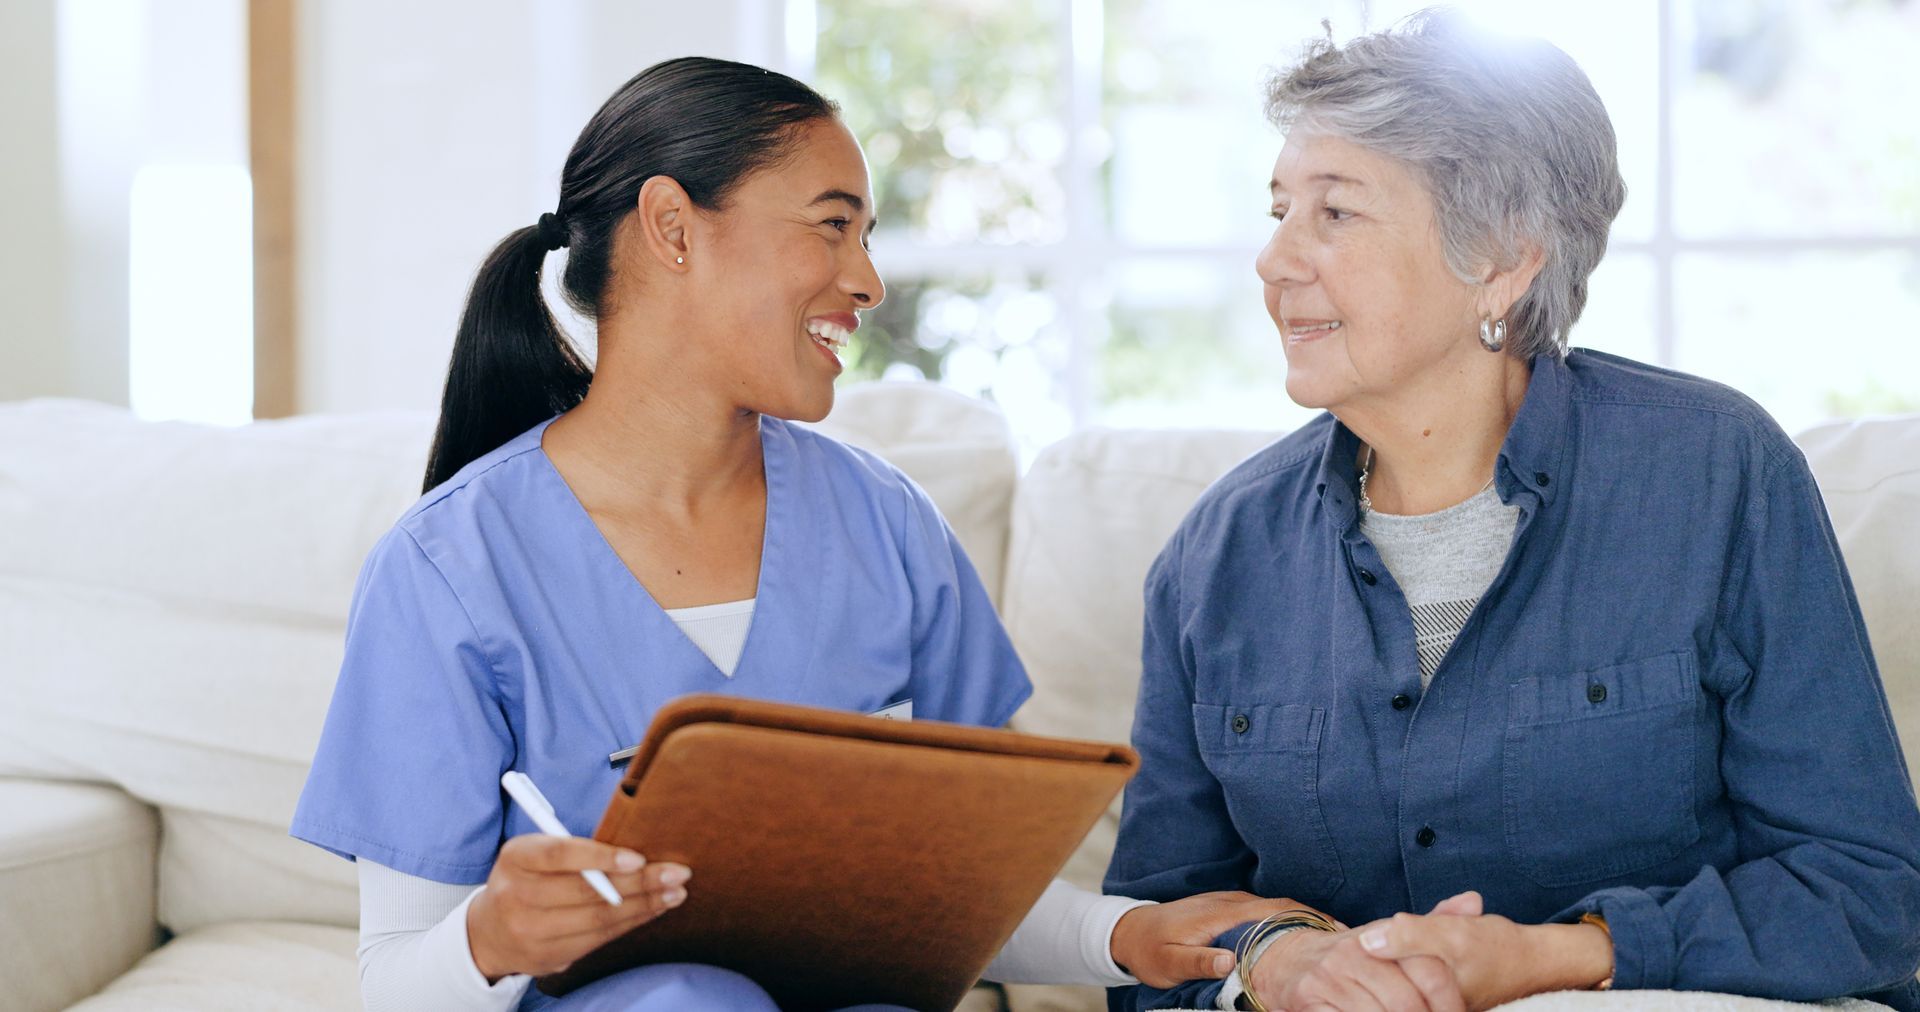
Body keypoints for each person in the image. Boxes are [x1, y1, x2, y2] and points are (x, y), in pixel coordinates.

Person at [290, 57, 1301, 1012]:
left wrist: (1122, 936)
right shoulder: (449, 568)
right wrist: (490, 938)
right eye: (832, 226)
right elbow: (394, 979)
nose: (867, 281)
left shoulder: (888, 525)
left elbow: (954, 896)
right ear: (672, 228)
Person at [1103, 10, 1920, 1012]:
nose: (1274, 262)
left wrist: (1553, 953)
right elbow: (1148, 929)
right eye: (1278, 211)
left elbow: (1867, 892)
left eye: (1336, 213)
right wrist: (1269, 952)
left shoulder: (1715, 475)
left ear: (1501, 258)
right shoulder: (1216, 556)